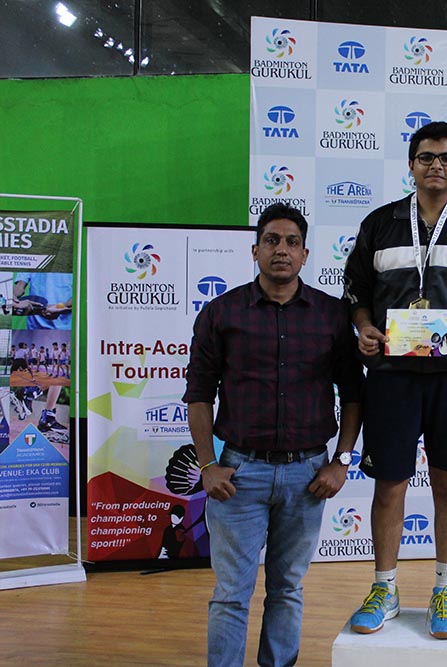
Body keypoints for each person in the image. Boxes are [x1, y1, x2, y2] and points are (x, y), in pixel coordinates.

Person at [343, 121, 447, 639]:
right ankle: (385, 588)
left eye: (446, 158)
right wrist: (364, 327)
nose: (435, 165)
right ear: (411, 165)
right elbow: (355, 291)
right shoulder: (380, 223)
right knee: (389, 483)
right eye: (426, 157)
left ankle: (445, 591)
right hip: (392, 376)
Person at [183, 203, 364, 667]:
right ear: (255, 251)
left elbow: (355, 394)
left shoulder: (331, 315)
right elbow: (199, 395)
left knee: (287, 587)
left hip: (309, 476)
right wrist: (207, 465)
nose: (281, 250)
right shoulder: (222, 313)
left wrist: (341, 461)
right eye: (271, 241)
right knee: (231, 592)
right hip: (238, 475)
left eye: (291, 242)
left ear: (305, 255)